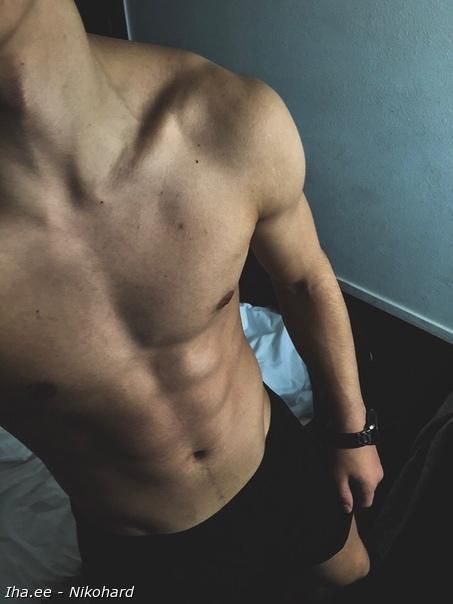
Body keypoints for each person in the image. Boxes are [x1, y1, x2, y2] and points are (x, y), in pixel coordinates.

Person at [0, 1, 383, 602]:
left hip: (272, 457)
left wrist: (350, 433)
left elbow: (306, 280)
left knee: (351, 572)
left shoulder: (225, 117)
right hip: (134, 538)